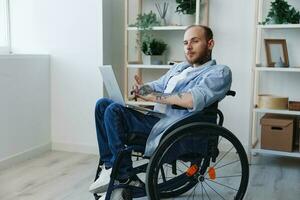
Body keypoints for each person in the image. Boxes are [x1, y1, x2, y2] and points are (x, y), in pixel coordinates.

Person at [89, 25, 232, 199]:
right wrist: (142, 89)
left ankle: (122, 177)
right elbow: (158, 85)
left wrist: (154, 97)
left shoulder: (219, 72)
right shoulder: (179, 68)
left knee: (113, 111)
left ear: (210, 44)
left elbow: (193, 99)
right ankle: (111, 168)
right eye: (186, 42)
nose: (188, 46)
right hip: (156, 120)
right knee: (102, 105)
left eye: (195, 41)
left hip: (176, 130)